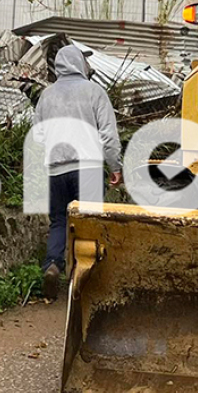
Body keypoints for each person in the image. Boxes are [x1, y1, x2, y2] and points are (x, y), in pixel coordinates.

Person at [33, 44, 122, 300]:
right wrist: (115, 166)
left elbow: (37, 135)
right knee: (89, 224)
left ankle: (53, 264)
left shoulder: (47, 96)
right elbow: (108, 135)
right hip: (88, 169)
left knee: (60, 221)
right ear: (81, 65)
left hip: (56, 171)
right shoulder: (95, 92)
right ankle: (85, 281)